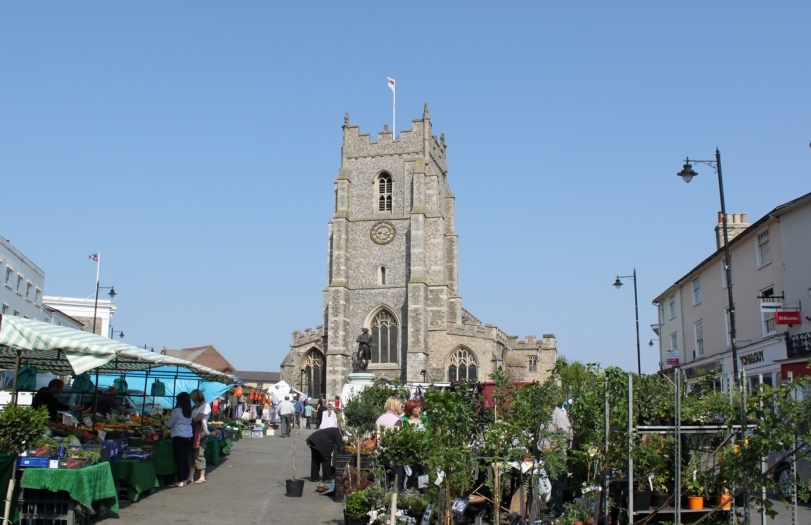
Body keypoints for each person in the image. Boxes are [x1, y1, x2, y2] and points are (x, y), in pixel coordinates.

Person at [539, 401, 572, 518]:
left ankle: (557, 510)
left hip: (556, 453)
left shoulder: (559, 415)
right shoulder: (544, 415)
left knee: (556, 480)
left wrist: (552, 447)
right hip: (546, 454)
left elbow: (566, 435)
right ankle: (552, 507)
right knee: (548, 482)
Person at [164, 392, 193, 487]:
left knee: (179, 459)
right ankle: (184, 478)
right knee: (185, 458)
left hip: (178, 436)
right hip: (188, 435)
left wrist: (163, 420)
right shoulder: (190, 411)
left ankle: (181, 480)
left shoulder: (176, 411)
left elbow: (169, 424)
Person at [189, 389, 211, 484]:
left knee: (199, 453)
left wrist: (191, 418)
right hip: (192, 431)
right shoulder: (195, 407)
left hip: (200, 432)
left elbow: (198, 418)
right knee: (190, 454)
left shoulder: (206, 406)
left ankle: (202, 476)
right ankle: (190, 476)